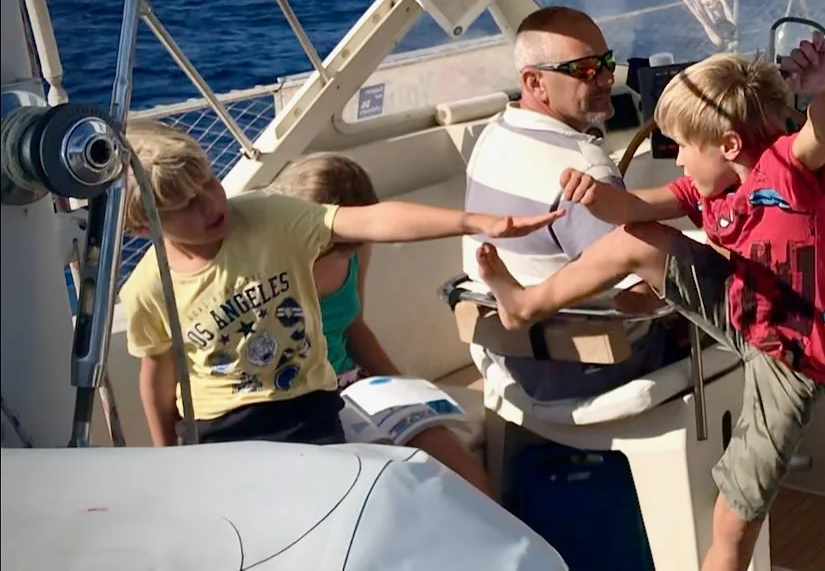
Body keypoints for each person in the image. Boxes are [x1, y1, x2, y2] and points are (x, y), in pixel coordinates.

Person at [475, 33, 825, 571]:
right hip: (746, 307)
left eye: (681, 146)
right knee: (638, 237)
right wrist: (591, 193)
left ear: (727, 146)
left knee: (733, 518)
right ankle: (525, 304)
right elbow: (630, 207)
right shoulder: (705, 189)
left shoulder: (787, 172)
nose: (676, 160)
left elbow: (823, 131)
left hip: (793, 358)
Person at [119, 120, 561, 449]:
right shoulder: (148, 290)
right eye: (186, 205)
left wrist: (477, 222)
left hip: (310, 406)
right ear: (144, 228)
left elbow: (370, 219)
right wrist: (168, 458)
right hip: (224, 430)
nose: (211, 203)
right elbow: (158, 378)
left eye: (210, 183)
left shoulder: (268, 217)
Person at [461, 5, 681, 402]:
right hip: (590, 370)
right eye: (585, 69)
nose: (606, 77)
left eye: (606, 61)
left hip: (506, 360)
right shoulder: (584, 170)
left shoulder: (493, 136)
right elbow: (636, 297)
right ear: (535, 82)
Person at [268, 152, 492, 497]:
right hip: (300, 401)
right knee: (391, 487)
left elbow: (353, 325)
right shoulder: (267, 265)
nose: (350, 250)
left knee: (460, 470)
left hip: (356, 385)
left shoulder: (355, 247)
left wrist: (405, 386)